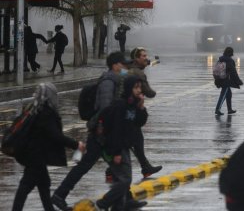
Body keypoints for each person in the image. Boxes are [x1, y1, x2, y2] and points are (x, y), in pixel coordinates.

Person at [52, 51, 141, 211]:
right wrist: (107, 134)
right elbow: (106, 111)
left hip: (105, 133)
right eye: (123, 65)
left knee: (117, 167)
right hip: (101, 134)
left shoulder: (116, 80)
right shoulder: (108, 82)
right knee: (87, 166)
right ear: (115, 66)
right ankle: (59, 195)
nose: (125, 68)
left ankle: (126, 199)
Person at [12, 83, 85, 211]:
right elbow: (55, 136)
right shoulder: (46, 113)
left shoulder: (34, 109)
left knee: (44, 183)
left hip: (32, 154)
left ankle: (49, 209)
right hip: (36, 156)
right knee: (26, 185)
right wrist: (76, 145)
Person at [96, 75, 148, 210]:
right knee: (125, 180)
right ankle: (104, 202)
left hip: (124, 146)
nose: (139, 90)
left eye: (139, 88)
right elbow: (116, 129)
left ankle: (119, 206)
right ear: (129, 88)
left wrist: (141, 107)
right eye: (136, 87)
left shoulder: (132, 104)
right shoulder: (121, 105)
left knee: (122, 179)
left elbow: (138, 122)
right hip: (114, 147)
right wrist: (116, 152)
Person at [128, 47, 162, 177]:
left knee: (134, 140)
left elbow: (150, 63)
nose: (146, 58)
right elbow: (149, 92)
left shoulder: (129, 69)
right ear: (136, 58)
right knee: (132, 140)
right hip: (131, 111)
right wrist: (152, 92)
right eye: (143, 56)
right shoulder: (138, 73)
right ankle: (145, 167)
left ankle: (145, 167)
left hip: (127, 109)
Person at [214, 47, 243, 115]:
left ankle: (229, 109)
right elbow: (233, 72)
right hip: (225, 80)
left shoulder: (220, 59)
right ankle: (217, 109)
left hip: (220, 78)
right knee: (223, 95)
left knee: (229, 94)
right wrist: (238, 81)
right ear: (231, 53)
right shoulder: (229, 60)